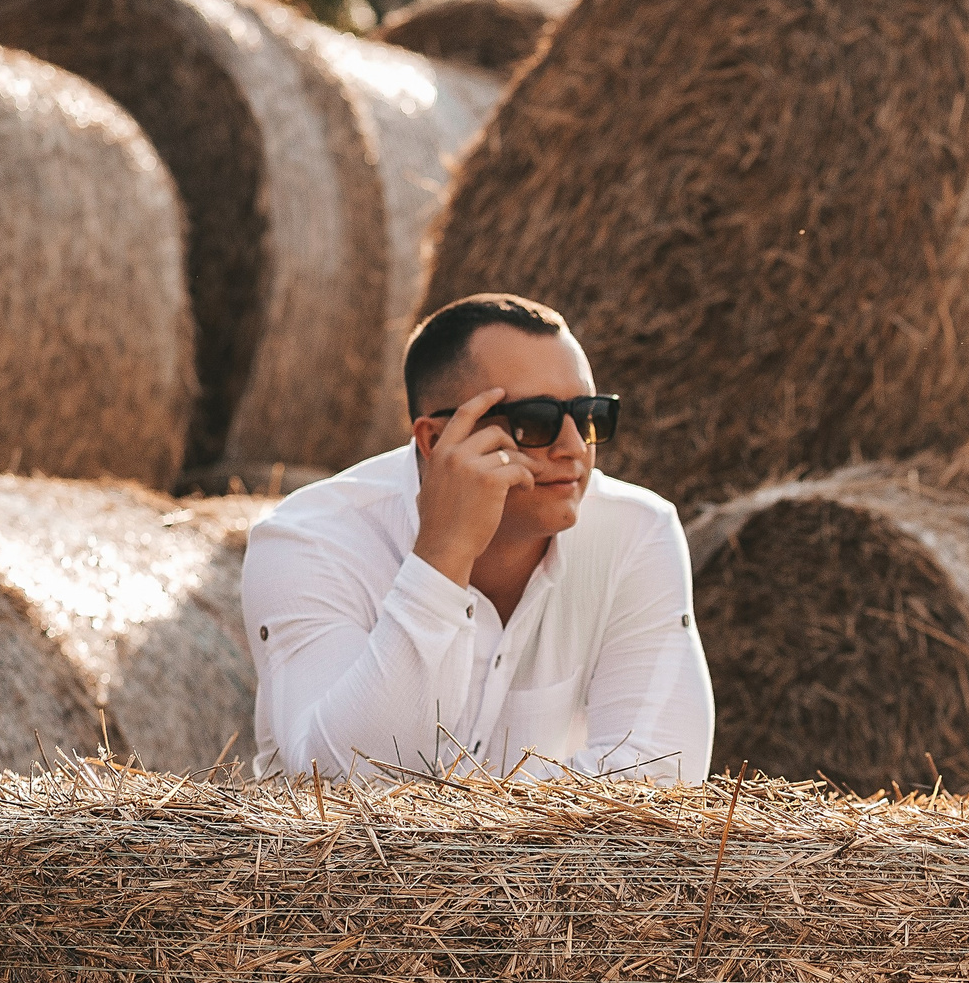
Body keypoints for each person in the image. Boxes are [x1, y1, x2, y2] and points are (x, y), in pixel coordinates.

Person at [243, 293, 714, 782]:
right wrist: (441, 558)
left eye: (591, 415)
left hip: (551, 863)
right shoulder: (309, 541)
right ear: (434, 440)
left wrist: (475, 828)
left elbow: (664, 773)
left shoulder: (636, 531)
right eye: (538, 421)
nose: (575, 448)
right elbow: (339, 785)